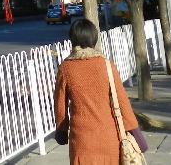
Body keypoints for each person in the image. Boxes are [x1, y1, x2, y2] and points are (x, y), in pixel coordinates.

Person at [54, 19, 147, 164]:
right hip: (110, 138)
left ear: (72, 39)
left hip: (82, 141)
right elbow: (123, 103)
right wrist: (136, 133)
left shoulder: (65, 69)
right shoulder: (107, 65)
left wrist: (61, 131)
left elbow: (60, 105)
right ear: (94, 38)